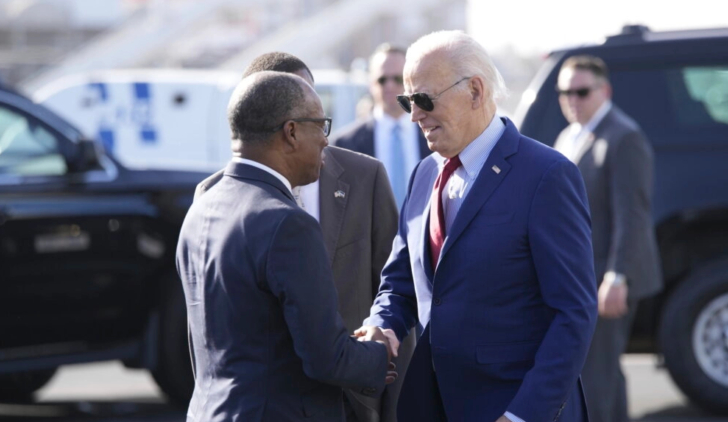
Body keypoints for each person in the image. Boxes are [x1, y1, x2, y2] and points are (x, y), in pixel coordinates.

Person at [355, 30, 597, 422]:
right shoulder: (423, 175)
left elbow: (573, 313)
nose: (413, 114)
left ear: (475, 91)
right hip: (435, 405)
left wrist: (522, 414)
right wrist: (382, 325)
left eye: (423, 99)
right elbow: (400, 282)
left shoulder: (547, 176)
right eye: (407, 100)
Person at [194, 52, 411, 422]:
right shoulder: (286, 222)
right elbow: (325, 356)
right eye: (317, 122)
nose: (326, 140)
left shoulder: (205, 206)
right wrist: (379, 353)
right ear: (290, 129)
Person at [553, 55, 663, 422]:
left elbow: (632, 214)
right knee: (592, 372)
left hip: (606, 277)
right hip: (578, 277)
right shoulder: (568, 135)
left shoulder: (623, 136)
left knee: (597, 374)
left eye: (581, 91)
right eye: (564, 91)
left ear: (605, 91)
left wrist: (618, 276)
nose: (572, 99)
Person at [333, 43, 430, 207]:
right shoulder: (344, 145)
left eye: (397, 79)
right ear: (371, 83)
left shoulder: (436, 134)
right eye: (382, 79)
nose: (390, 86)